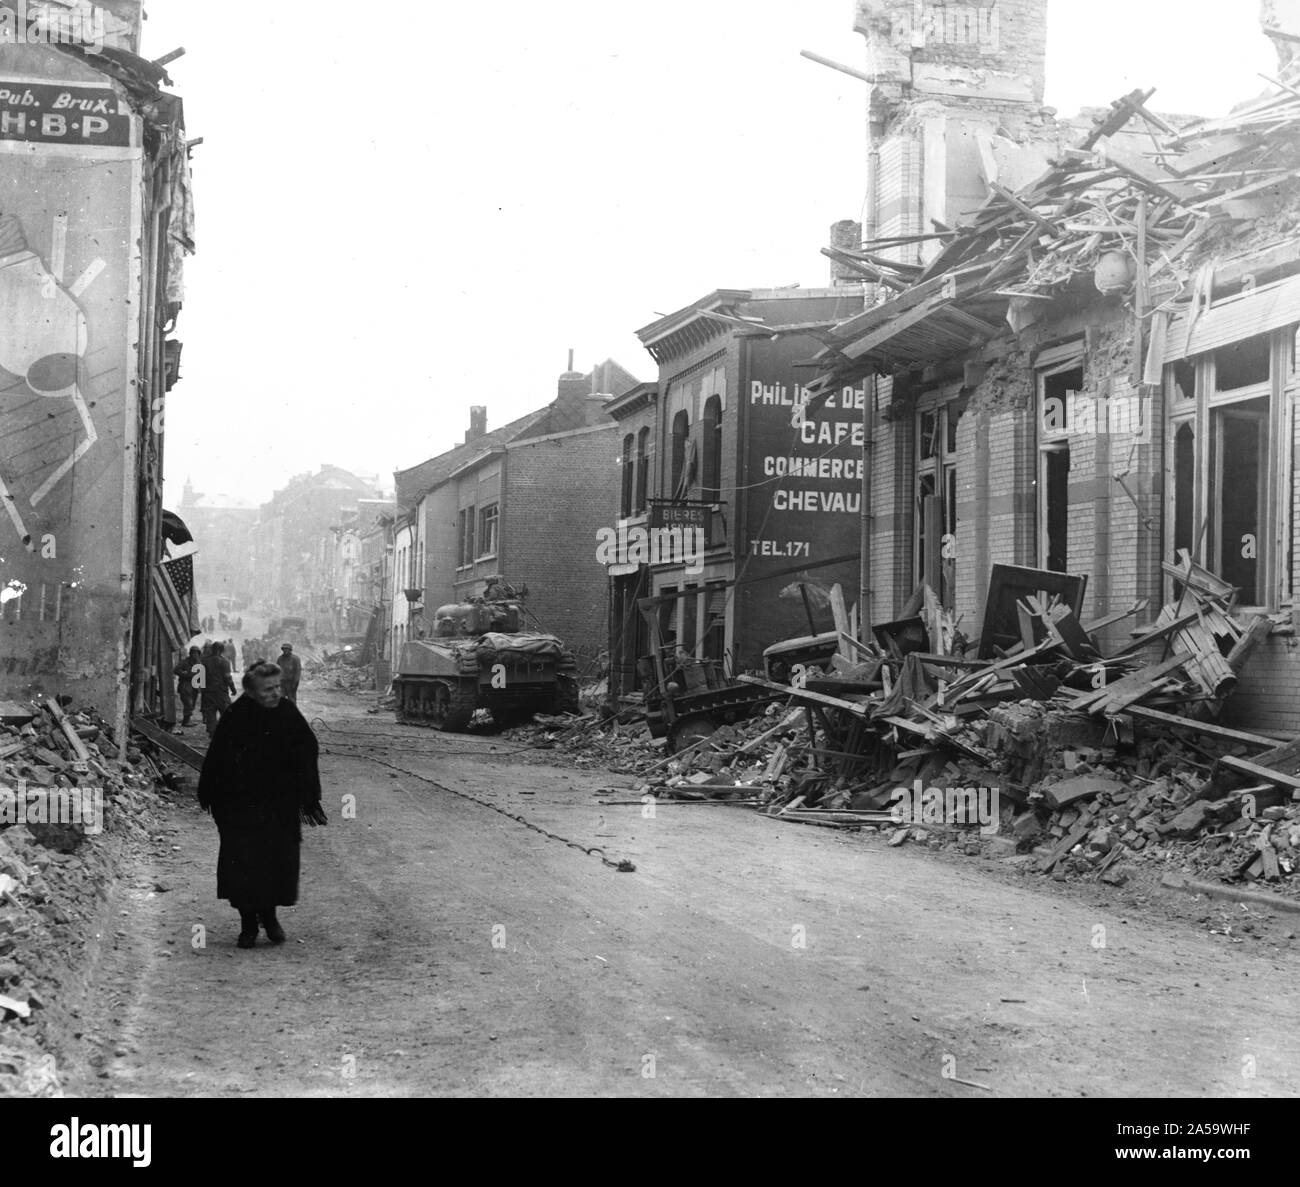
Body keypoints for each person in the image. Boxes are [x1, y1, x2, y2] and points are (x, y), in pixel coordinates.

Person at [197, 662, 325, 949]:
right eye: (269, 689)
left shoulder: (287, 711)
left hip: (278, 805)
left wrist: (300, 782)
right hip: (241, 807)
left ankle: (270, 916)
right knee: (243, 863)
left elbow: (307, 745)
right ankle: (247, 923)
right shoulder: (236, 716)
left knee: (276, 861)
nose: (276, 693)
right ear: (252, 692)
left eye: (278, 686)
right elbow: (217, 761)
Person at [200, 641, 236, 737]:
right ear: (221, 650)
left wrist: (202, 689)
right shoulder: (224, 661)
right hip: (221, 692)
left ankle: (212, 733)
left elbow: (199, 677)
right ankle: (224, 732)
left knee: (210, 714)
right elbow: (228, 678)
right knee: (226, 712)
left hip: (208, 691)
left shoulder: (204, 660)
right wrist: (233, 689)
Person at [173, 646, 201, 727]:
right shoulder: (185, 662)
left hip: (194, 687)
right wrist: (185, 674)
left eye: (196, 653)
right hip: (185, 686)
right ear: (190, 653)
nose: (194, 655)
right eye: (193, 653)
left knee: (192, 705)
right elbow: (176, 670)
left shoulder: (199, 663)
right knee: (188, 703)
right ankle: (186, 722)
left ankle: (187, 719)